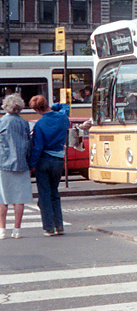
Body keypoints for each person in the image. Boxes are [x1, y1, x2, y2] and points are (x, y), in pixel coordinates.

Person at [28, 95, 71, 237]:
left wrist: (31, 165)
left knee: (44, 194)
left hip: (44, 160)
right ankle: (59, 225)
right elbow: (65, 106)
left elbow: (37, 147)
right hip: (58, 160)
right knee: (54, 193)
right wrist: (54, 106)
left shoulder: (40, 124)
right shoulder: (62, 117)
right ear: (46, 104)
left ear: (35, 109)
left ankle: (49, 227)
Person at [0, 94, 32, 240]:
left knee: (3, 199)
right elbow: (29, 143)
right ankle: (17, 230)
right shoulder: (24, 123)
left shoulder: (2, 122)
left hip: (3, 163)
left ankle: (2, 230)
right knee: (19, 199)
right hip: (21, 164)